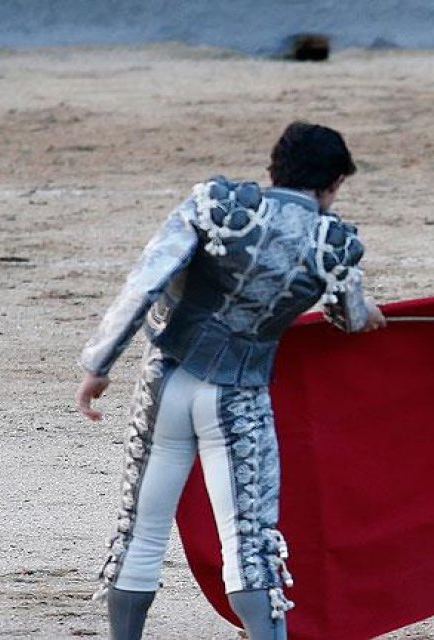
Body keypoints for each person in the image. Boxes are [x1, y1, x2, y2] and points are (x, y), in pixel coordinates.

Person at [74, 121, 386, 640]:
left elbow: (147, 279)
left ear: (272, 170)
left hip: (165, 379)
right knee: (249, 540)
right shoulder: (331, 241)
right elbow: (349, 316)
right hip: (238, 397)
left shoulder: (216, 205)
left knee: (141, 530)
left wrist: (97, 364)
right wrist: (366, 309)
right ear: (332, 185)